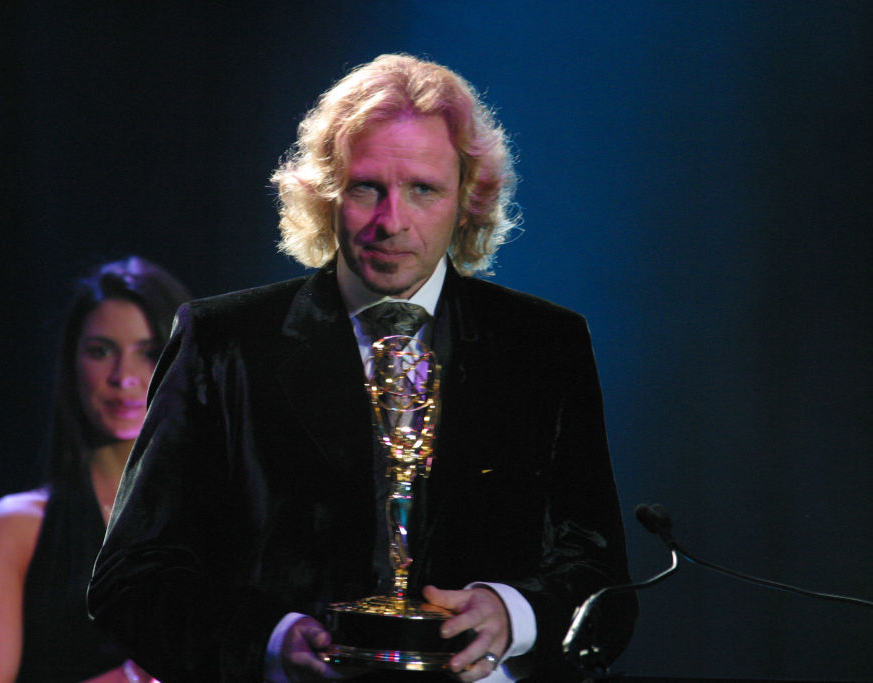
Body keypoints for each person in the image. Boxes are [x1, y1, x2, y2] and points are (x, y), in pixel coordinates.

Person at [88, 54, 637, 682]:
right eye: (366, 187)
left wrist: (515, 614)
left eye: (423, 189)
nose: (391, 221)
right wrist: (269, 643)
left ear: (468, 200)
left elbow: (602, 579)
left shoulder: (545, 345)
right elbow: (132, 578)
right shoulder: (223, 342)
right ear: (325, 194)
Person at [0, 257, 190, 683]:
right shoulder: (15, 527)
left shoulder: (222, 514)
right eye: (101, 351)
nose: (124, 377)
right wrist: (132, 677)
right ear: (72, 363)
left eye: (150, 353)